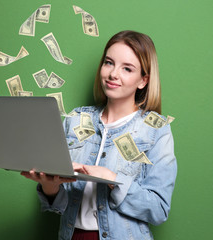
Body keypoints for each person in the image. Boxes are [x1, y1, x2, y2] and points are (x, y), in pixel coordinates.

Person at [21, 30, 177, 240]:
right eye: (109, 63)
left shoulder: (156, 129)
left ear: (143, 80)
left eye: (127, 68)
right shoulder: (76, 119)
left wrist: (112, 179)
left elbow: (158, 209)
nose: (113, 74)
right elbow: (59, 205)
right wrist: (50, 185)